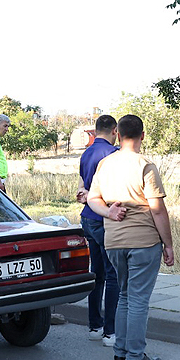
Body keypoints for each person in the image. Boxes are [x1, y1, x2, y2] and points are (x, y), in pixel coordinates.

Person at [88, 114, 174, 360]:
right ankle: (135, 355)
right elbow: (157, 210)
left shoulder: (105, 164)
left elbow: (93, 199)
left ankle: (121, 352)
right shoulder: (144, 165)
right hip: (143, 242)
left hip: (113, 241)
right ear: (142, 135)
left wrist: (109, 212)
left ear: (118, 134)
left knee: (125, 295)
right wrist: (168, 244)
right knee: (137, 299)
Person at [76, 115, 119, 347]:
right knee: (113, 274)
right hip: (104, 218)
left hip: (87, 218)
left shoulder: (86, 153)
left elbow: (84, 185)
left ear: (95, 130)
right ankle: (110, 332)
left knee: (97, 273)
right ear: (114, 130)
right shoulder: (114, 154)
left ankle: (95, 325)